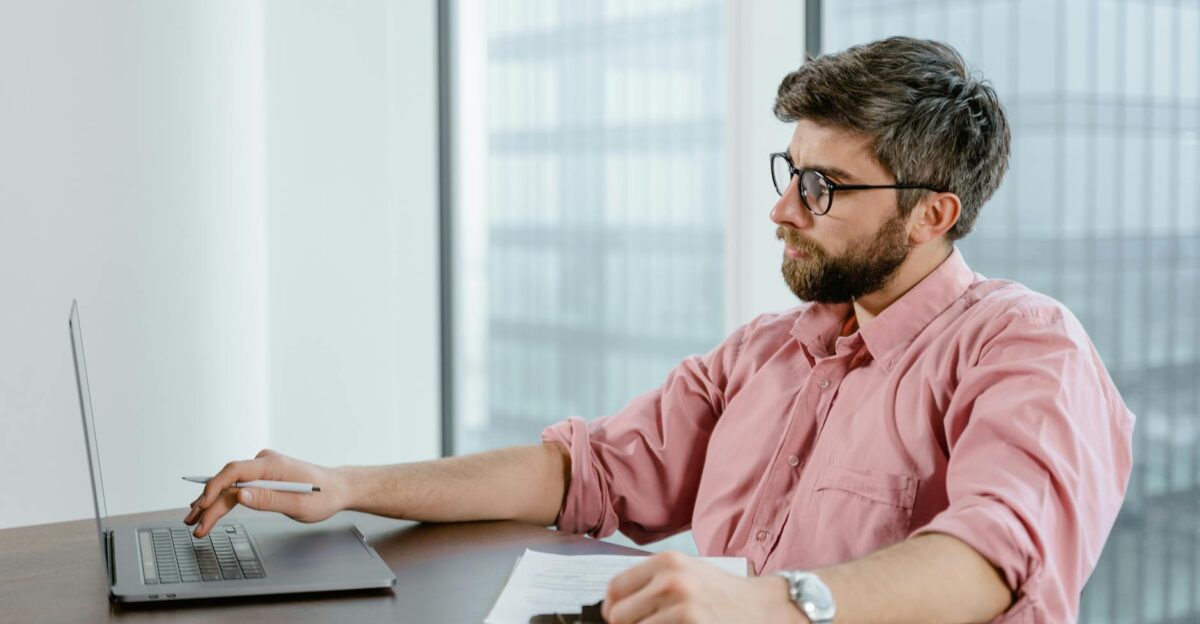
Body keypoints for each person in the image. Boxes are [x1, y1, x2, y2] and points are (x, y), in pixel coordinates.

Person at [184, 37, 1133, 623]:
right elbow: (586, 470)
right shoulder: (769, 349)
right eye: (789, 171)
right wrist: (348, 485)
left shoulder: (1025, 349)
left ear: (932, 215)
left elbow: (993, 564)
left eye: (822, 187)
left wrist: (762, 607)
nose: (782, 210)